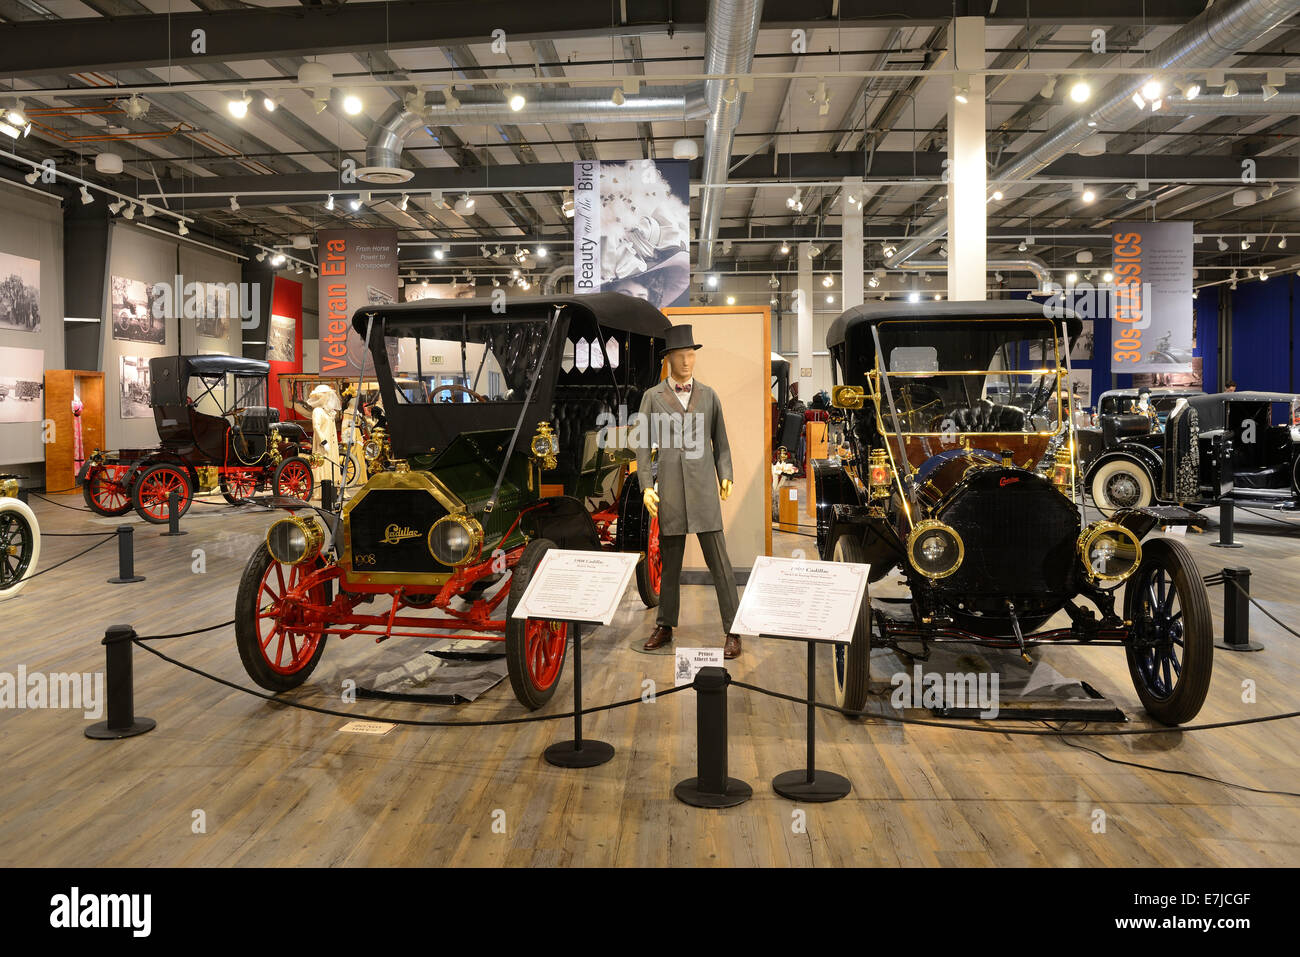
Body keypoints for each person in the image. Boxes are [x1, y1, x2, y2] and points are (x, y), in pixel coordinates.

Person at [635, 324, 742, 659]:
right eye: (680, 356)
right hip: (669, 489)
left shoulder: (709, 395)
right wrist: (645, 486)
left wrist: (726, 474)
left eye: (691, 355)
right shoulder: (652, 398)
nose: (687, 361)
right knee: (670, 563)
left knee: (720, 563)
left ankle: (734, 629)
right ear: (668, 359)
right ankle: (665, 625)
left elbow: (720, 442)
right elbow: (641, 447)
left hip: (704, 491)